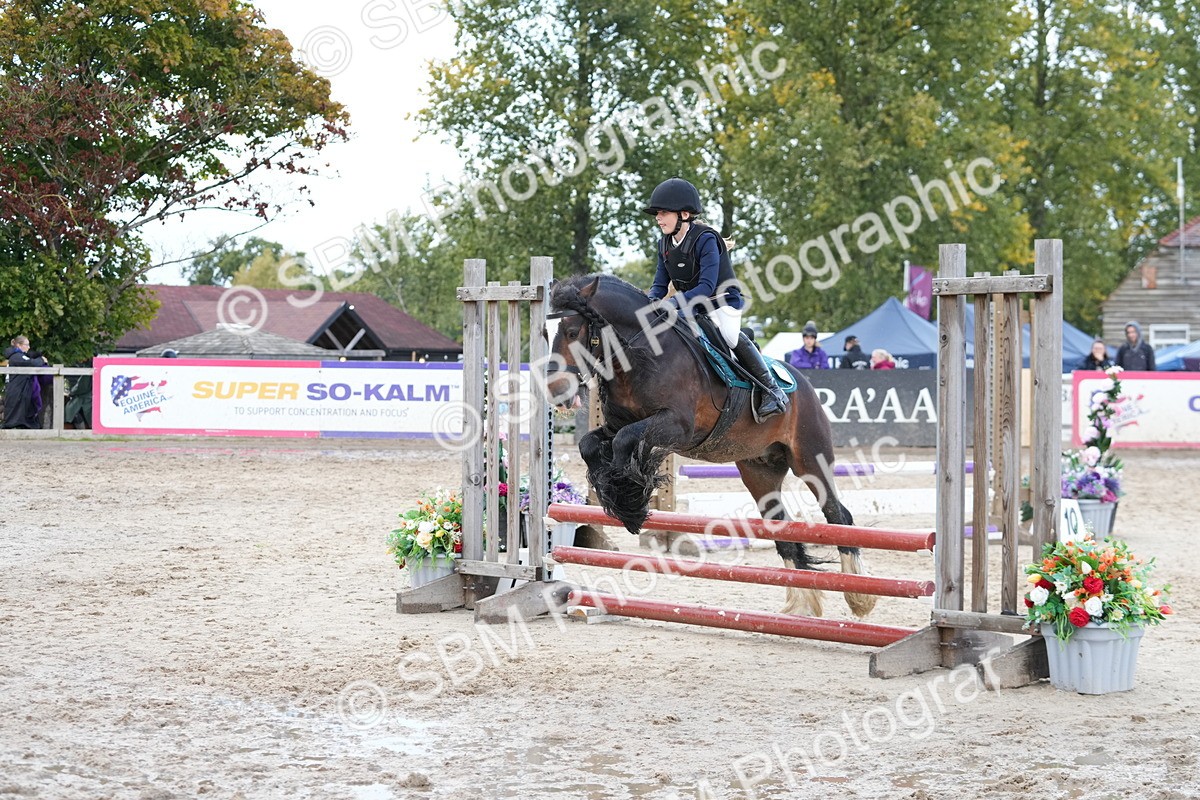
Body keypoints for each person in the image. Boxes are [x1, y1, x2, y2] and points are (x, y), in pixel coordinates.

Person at [644, 177, 788, 419]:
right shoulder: (664, 244)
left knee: (729, 337)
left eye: (663, 213)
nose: (658, 218)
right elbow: (659, 285)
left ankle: (772, 390)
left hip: (722, 302)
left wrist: (671, 304)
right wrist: (648, 306)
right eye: (657, 213)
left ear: (684, 215)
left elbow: (706, 287)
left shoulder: (706, 239)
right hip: (692, 305)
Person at [2, 335, 49, 429]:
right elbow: (32, 363)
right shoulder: (17, 357)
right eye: (27, 345)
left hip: (20, 390)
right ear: (19, 345)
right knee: (14, 419)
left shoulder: (18, 356)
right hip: (17, 391)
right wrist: (41, 360)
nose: (29, 347)